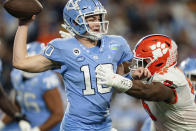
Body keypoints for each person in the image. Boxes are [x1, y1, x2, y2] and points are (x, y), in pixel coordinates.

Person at [12, 0, 133, 130]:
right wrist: (23, 26)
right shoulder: (63, 48)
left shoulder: (117, 44)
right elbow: (20, 62)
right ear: (74, 21)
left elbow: (126, 82)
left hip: (104, 124)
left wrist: (133, 78)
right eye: (91, 19)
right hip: (75, 126)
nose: (97, 23)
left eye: (99, 18)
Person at [96, 34, 196, 130]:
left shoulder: (173, 79)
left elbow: (148, 92)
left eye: (141, 62)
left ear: (157, 62)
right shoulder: (155, 74)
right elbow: (126, 68)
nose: (137, 65)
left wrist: (115, 79)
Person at [1, 42, 64, 131]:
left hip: (47, 126)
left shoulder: (46, 80)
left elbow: (58, 115)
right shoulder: (16, 74)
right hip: (26, 122)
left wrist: (37, 129)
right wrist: (2, 123)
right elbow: (17, 105)